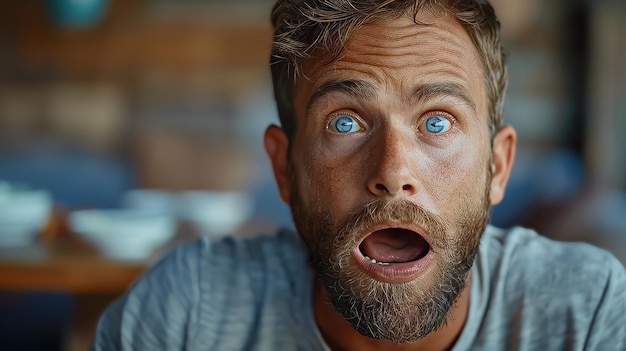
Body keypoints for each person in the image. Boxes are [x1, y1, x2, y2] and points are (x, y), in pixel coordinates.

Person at [92, 0, 626, 350]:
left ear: (498, 167)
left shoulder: (589, 314)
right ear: (284, 167)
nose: (393, 173)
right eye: (345, 122)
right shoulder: (188, 315)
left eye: (437, 121)